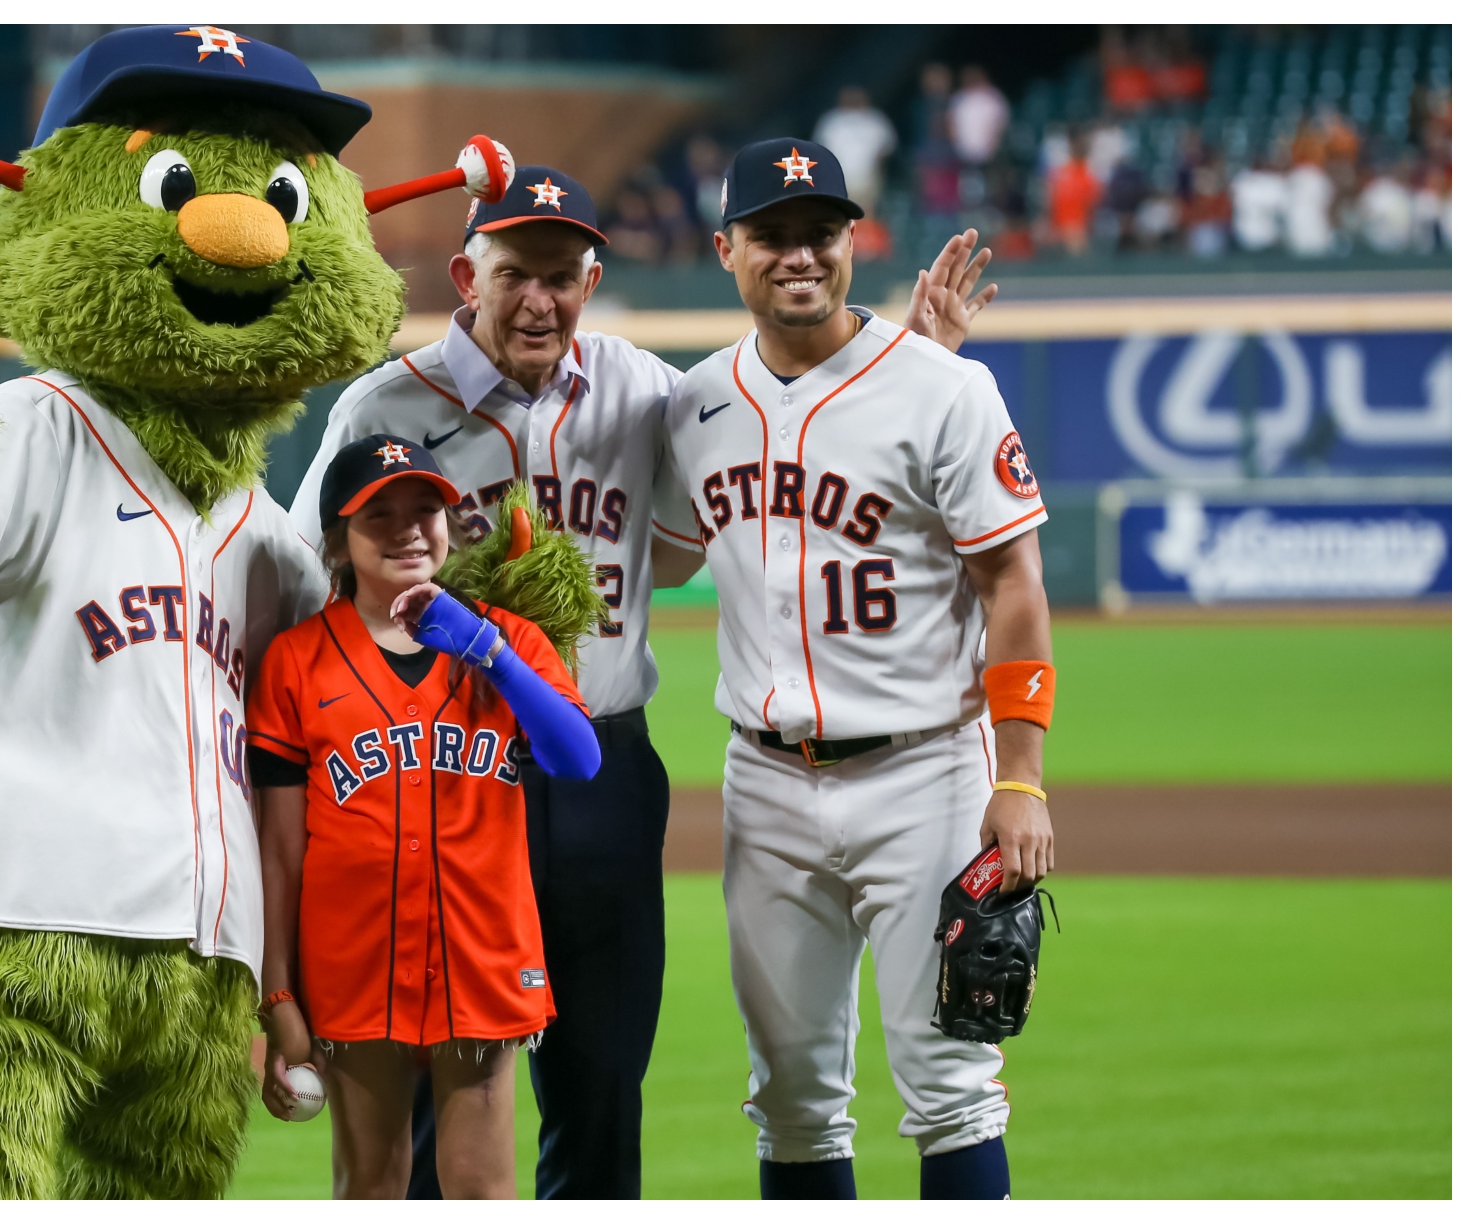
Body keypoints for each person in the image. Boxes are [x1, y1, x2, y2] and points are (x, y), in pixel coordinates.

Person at [295, 161, 996, 1199]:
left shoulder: (650, 394)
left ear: (590, 280)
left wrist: (920, 366)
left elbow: (748, 485)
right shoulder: (383, 406)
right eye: (513, 273)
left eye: (562, 275)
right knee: (442, 1083)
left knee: (601, 1076)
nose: (539, 298)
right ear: (464, 275)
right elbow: (305, 570)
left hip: (602, 768)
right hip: (440, 770)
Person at [663, 137, 1042, 1200]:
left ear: (850, 241)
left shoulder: (943, 391)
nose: (798, 255)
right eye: (771, 235)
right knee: (788, 1094)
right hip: (767, 784)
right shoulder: (694, 405)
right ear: (725, 250)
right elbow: (658, 552)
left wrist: (1019, 775)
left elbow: (1013, 583)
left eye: (819, 233)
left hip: (925, 775)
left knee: (952, 1082)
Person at [251, 435, 600, 1198]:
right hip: (353, 958)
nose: (408, 529)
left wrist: (490, 653)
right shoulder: (296, 662)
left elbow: (579, 758)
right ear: (337, 543)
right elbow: (279, 853)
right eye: (379, 514)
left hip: (481, 950)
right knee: (371, 1186)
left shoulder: (506, 640)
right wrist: (278, 993)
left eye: (425, 509)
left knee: (480, 1190)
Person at [812, 87, 896, 217]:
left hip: (867, 180)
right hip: (838, 181)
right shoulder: (831, 120)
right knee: (840, 216)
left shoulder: (875, 119)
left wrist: (877, 174)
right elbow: (820, 151)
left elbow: (885, 149)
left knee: (865, 216)